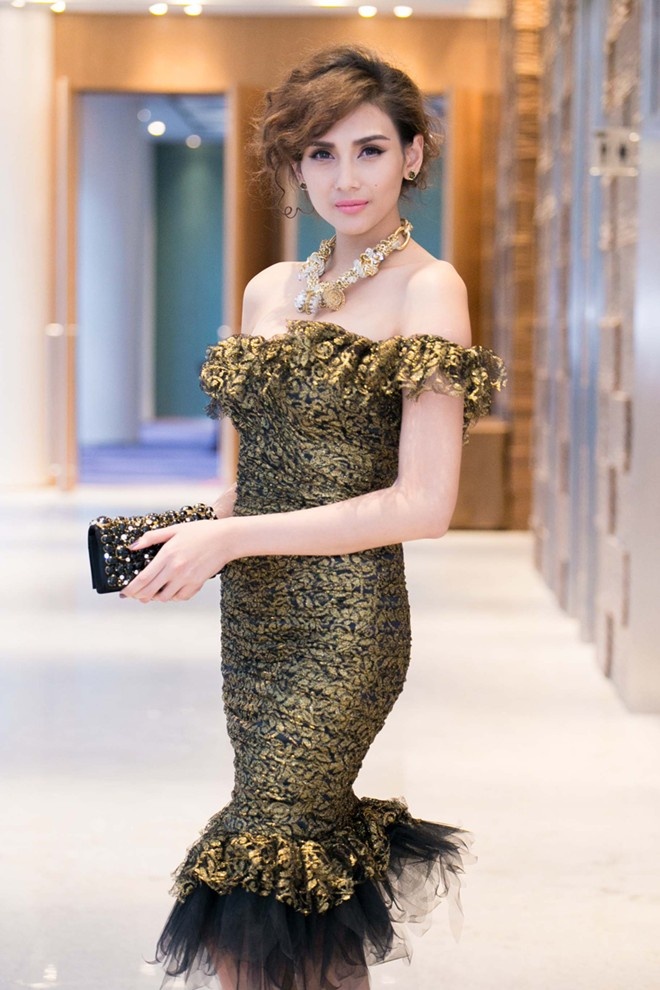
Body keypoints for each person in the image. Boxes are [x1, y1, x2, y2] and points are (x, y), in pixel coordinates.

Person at [122, 45, 505, 990]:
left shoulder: (428, 287)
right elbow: (260, 482)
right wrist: (195, 530)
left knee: (263, 862)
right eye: (320, 153)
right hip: (256, 623)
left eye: (370, 149)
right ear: (294, 163)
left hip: (346, 625)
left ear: (414, 154)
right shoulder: (267, 290)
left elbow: (425, 505)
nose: (345, 177)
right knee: (299, 893)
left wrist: (233, 535)